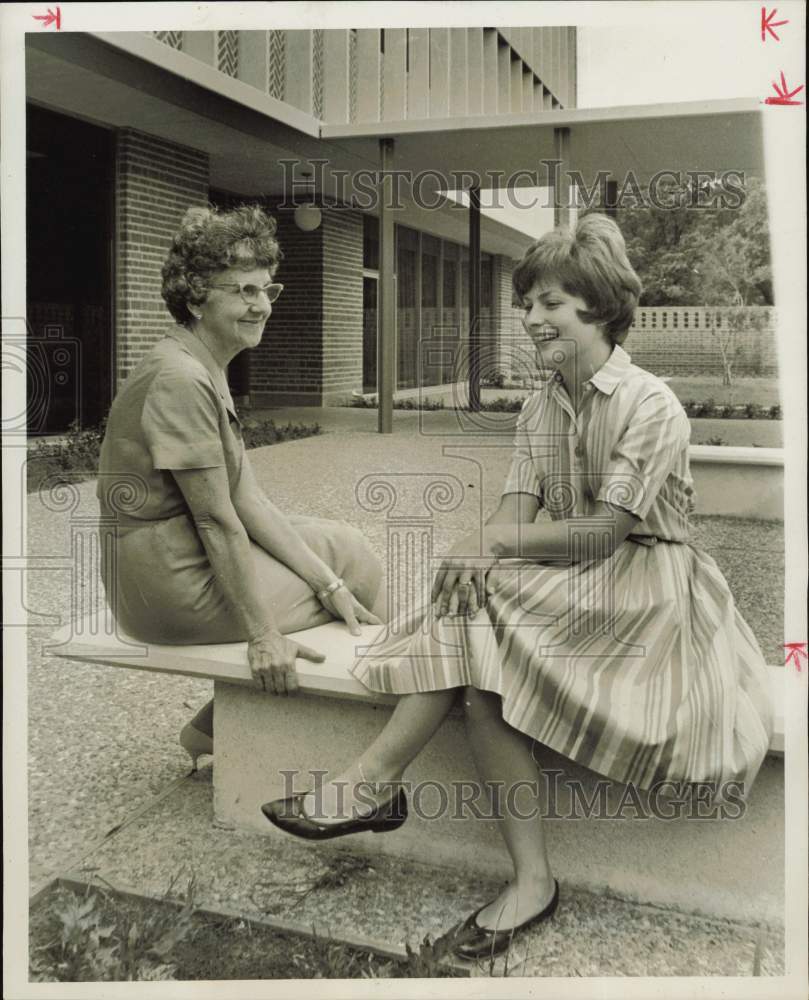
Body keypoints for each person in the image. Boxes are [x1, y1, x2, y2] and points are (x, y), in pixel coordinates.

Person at [261, 213, 774, 960]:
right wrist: (478, 551)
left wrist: (495, 546)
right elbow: (513, 515)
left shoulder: (649, 403)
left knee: (479, 610)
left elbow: (604, 531)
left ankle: (374, 782)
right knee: (475, 635)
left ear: (597, 308)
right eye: (527, 302)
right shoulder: (542, 405)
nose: (530, 318)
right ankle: (526, 878)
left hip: (651, 592)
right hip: (572, 582)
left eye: (551, 305)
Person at [97, 204, 384, 766]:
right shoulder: (181, 377)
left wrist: (329, 585)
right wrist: (263, 636)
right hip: (168, 588)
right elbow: (214, 518)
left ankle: (217, 729)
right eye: (243, 291)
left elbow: (247, 499)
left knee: (346, 552)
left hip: (175, 562)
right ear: (197, 295)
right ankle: (389, 721)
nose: (261, 305)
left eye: (265, 289)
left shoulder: (202, 363)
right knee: (359, 565)